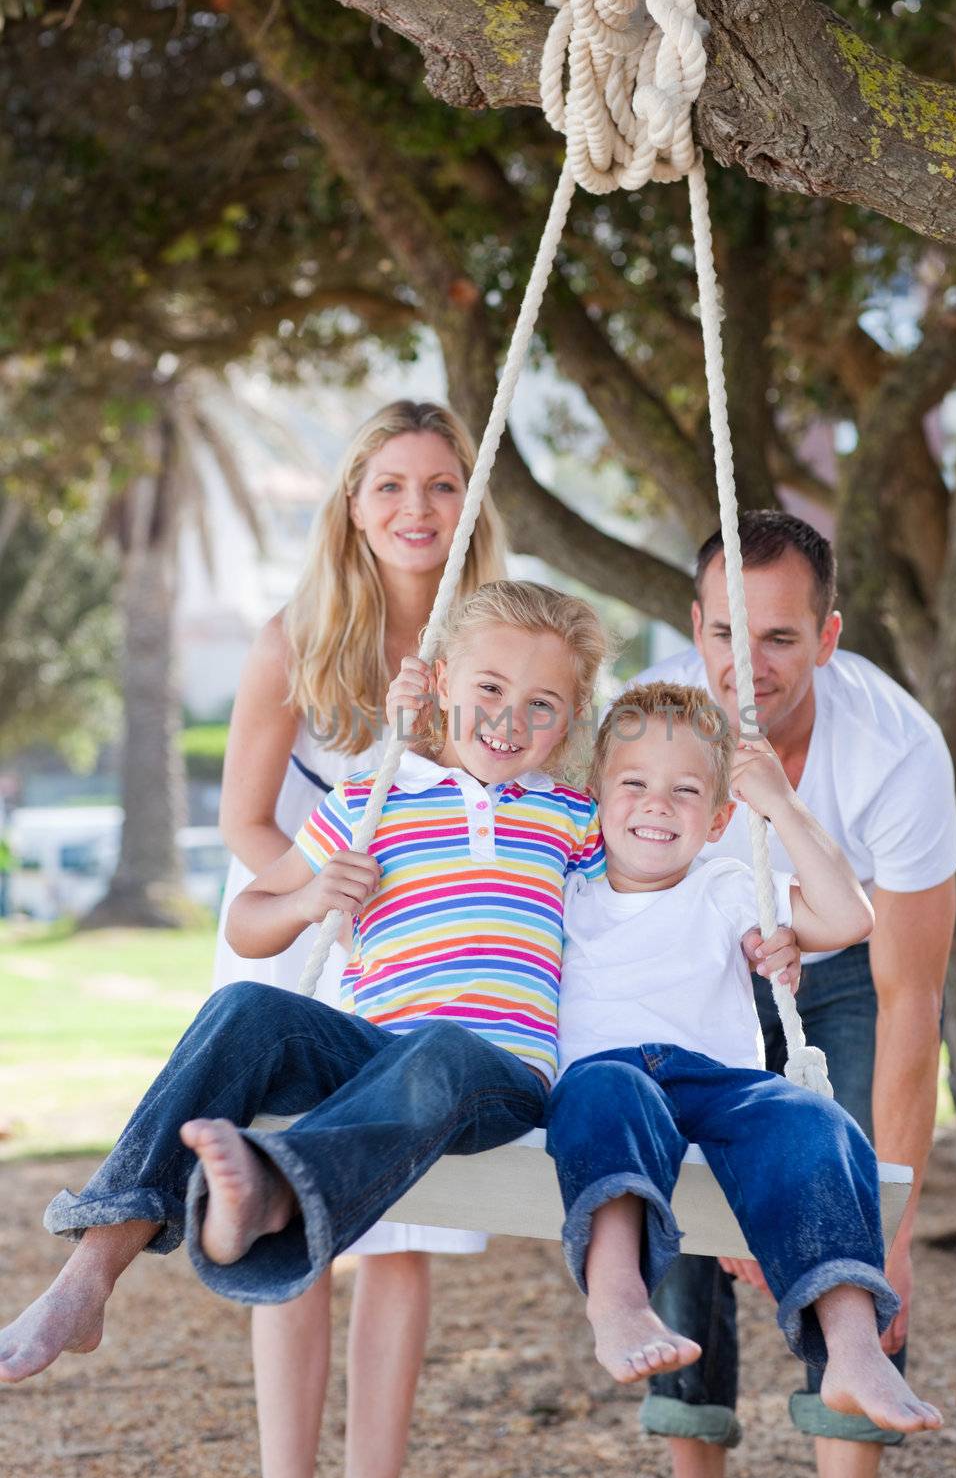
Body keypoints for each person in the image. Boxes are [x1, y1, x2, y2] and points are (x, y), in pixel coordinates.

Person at [0, 582, 606, 1388]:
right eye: (489, 688)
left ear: (570, 720)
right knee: (247, 1008)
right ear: (438, 683)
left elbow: (657, 901)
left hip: (495, 1074)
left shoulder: (575, 816)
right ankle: (86, 1279)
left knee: (437, 1046)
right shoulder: (368, 799)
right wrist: (309, 898)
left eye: (542, 704)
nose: (507, 719)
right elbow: (248, 920)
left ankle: (276, 1187)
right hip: (374, 1051)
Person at [212, 399, 507, 1478]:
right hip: (299, 933)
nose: (415, 508)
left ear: (469, 504)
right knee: (289, 1209)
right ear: (352, 501)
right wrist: (308, 888)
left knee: (397, 1234)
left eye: (440, 485)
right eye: (389, 484)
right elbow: (245, 825)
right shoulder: (295, 639)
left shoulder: (489, 646)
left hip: (427, 944)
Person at [634, 513, 956, 1478]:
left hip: (848, 972)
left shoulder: (895, 750)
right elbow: (631, 947)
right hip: (707, 980)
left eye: (780, 637)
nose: (749, 664)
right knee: (682, 1210)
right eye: (728, 633)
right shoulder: (646, 732)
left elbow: (910, 999)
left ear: (825, 636)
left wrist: (893, 1226)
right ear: (697, 626)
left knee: (852, 1232)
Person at [547, 681, 942, 1439]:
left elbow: (847, 917)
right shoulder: (561, 890)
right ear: (596, 796)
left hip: (715, 1084)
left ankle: (852, 1347)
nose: (656, 805)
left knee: (807, 1118)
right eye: (633, 784)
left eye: (685, 790)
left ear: (721, 816)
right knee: (605, 1091)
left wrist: (783, 807)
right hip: (607, 1081)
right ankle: (618, 1299)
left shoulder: (728, 886)